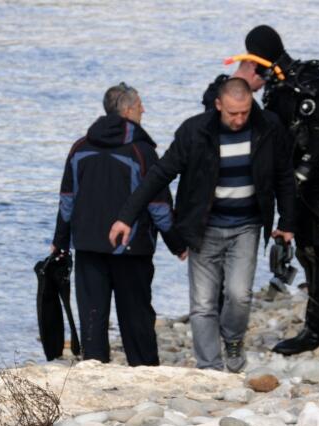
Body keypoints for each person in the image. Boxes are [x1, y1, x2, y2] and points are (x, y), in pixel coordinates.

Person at [113, 78, 296, 372]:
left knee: (239, 295)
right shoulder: (194, 131)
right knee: (202, 304)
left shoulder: (269, 127)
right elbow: (160, 174)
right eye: (233, 113)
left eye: (245, 113)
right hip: (203, 228)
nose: (239, 120)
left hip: (247, 225)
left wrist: (288, 222)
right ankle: (210, 368)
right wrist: (126, 216)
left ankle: (233, 339)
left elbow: (284, 176)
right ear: (219, 105)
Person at [51, 83, 184, 366]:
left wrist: (60, 241)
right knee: (136, 315)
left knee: (92, 315)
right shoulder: (141, 151)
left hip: (87, 245)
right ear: (127, 111)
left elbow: (67, 200)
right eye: (139, 105)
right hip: (131, 248)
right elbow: (158, 204)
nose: (143, 110)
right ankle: (145, 369)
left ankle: (94, 368)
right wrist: (177, 243)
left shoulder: (80, 147)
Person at [240, 25, 319, 354]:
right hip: (307, 184)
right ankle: (315, 326)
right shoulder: (293, 82)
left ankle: (316, 332)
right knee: (308, 254)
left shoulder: (299, 87)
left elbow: (316, 139)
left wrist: (299, 178)